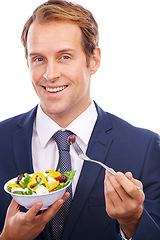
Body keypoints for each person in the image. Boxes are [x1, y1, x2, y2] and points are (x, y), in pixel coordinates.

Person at [0, 0, 160, 239]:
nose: (50, 74)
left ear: (93, 59)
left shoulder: (146, 148)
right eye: (38, 59)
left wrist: (132, 220)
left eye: (64, 57)